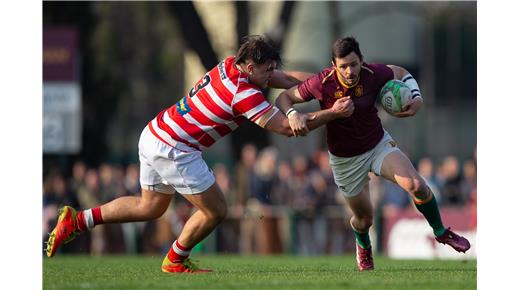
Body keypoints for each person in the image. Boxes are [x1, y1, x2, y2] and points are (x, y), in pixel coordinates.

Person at [45, 35, 354, 273]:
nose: (272, 73)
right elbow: (287, 129)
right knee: (216, 210)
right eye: (267, 69)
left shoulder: (231, 64)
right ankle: (175, 261)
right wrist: (334, 112)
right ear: (250, 68)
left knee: (149, 207)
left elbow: (282, 79)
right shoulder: (243, 93)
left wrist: (325, 81)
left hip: (155, 132)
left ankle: (77, 220)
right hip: (175, 148)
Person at [275, 36, 470, 271]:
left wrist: (416, 97)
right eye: (343, 66)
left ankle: (440, 232)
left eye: (354, 64)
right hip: (345, 160)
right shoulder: (322, 82)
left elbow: (400, 72)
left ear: (362, 60)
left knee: (416, 184)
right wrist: (293, 114)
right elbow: (283, 97)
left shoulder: (372, 73)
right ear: (333, 65)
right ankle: (363, 245)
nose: (349, 71)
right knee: (364, 219)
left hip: (377, 145)